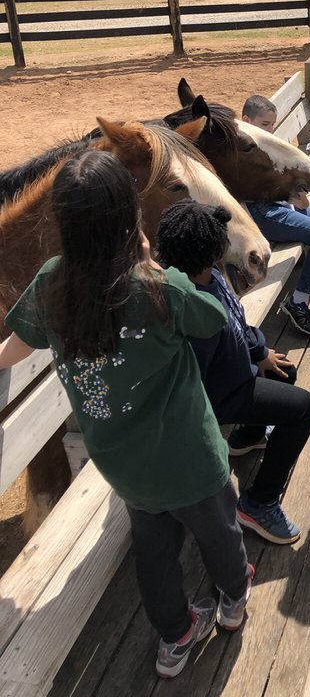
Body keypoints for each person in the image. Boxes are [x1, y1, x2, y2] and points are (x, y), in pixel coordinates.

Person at [0, 151, 252, 680]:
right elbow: (212, 320)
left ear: (64, 222)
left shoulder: (51, 283)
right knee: (220, 533)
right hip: (191, 459)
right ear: (132, 219)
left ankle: (175, 637)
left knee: (154, 556)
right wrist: (161, 267)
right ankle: (233, 600)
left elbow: (15, 347)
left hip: (125, 468)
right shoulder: (157, 287)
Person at [156, 200, 310, 546]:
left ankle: (248, 436)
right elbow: (193, 385)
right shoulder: (193, 311)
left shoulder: (206, 274)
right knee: (304, 408)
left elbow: (238, 322)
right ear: (211, 251)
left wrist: (260, 352)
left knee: (284, 372)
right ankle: (259, 503)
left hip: (235, 372)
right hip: (219, 396)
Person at [242, 95, 310, 337]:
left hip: (280, 206)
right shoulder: (243, 152)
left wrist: (295, 194)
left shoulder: (263, 143)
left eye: (272, 124)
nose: (270, 130)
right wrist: (291, 197)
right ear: (246, 121)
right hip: (264, 214)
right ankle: (299, 301)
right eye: (265, 124)